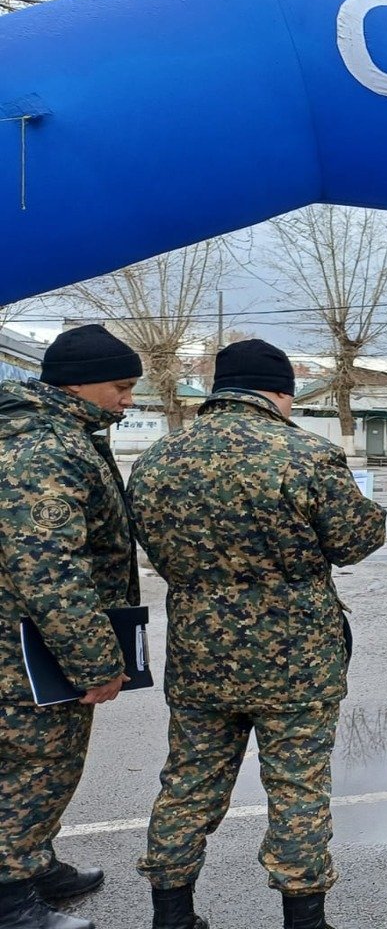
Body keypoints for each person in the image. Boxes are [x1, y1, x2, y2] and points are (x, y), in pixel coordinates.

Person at [129, 340, 387, 929]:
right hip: (297, 660)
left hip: (200, 656)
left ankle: (171, 916)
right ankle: (304, 920)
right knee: (297, 788)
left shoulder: (158, 458)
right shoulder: (305, 454)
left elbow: (149, 547)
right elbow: (356, 541)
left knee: (188, 784)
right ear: (281, 393)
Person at [0, 325, 142, 929]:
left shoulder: (60, 432)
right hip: (26, 647)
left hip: (29, 638)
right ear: (78, 383)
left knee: (45, 761)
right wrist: (95, 661)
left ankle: (32, 862)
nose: (127, 401)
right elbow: (48, 567)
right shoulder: (47, 447)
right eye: (120, 386)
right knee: (33, 763)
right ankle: (9, 896)